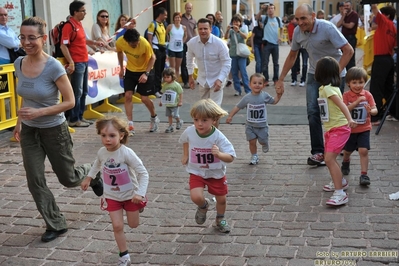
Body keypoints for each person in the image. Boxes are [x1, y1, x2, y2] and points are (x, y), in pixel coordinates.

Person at [13, 16, 103, 243]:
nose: (27, 42)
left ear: (43, 39)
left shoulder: (53, 66)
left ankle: (92, 175)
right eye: (23, 37)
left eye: (32, 37)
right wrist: (19, 122)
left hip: (54, 129)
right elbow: (24, 97)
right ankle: (56, 223)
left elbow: (70, 101)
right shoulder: (19, 63)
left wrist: (40, 113)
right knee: (34, 179)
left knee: (68, 178)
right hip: (29, 132)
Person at [275, 4, 353, 166]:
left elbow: (349, 51)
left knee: (335, 112)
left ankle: (339, 147)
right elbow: (292, 55)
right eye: (297, 19)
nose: (300, 22)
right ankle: (318, 152)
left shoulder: (327, 28)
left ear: (313, 16)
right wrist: (281, 78)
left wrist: (334, 73)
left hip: (335, 76)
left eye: (303, 18)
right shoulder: (298, 32)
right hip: (314, 74)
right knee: (312, 111)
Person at [81, 116, 149, 266]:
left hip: (131, 196)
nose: (107, 139)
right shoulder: (101, 152)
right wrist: (89, 178)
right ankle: (124, 255)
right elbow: (97, 164)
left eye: (112, 135)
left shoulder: (126, 153)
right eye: (103, 135)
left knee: (133, 225)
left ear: (121, 135)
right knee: (117, 226)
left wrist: (140, 193)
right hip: (112, 195)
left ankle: (140, 206)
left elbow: (143, 173)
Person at [179, 99, 236, 233]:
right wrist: (185, 154)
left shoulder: (218, 137)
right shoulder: (189, 131)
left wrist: (219, 155)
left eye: (204, 120)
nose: (199, 123)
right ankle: (203, 206)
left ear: (214, 120)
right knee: (196, 197)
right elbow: (185, 141)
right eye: (196, 119)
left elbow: (231, 157)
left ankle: (220, 219)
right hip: (196, 171)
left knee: (221, 199)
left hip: (215, 173)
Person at [314, 56, 356, 206]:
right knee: (330, 158)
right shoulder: (326, 88)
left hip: (339, 128)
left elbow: (342, 105)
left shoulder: (328, 89)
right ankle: (340, 182)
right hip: (332, 128)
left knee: (329, 159)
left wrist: (349, 119)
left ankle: (340, 193)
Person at [60, 1, 105, 127]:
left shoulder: (79, 24)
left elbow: (83, 40)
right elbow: (63, 45)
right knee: (77, 91)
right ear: (75, 12)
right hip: (77, 62)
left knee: (84, 91)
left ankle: (80, 116)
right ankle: (74, 119)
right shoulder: (69, 26)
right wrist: (71, 62)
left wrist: (95, 43)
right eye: (83, 11)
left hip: (84, 61)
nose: (85, 13)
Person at [226, 73, 282, 165]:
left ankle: (265, 143)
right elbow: (238, 107)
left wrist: (279, 95)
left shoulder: (264, 96)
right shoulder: (247, 97)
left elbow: (274, 101)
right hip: (250, 125)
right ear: (249, 84)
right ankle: (254, 156)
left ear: (263, 85)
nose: (257, 85)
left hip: (262, 125)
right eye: (254, 83)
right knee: (252, 142)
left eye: (260, 83)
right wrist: (230, 116)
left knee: (262, 140)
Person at [186, 18, 231, 128]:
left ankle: (215, 135)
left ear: (211, 29)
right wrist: (190, 77)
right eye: (200, 29)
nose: (203, 31)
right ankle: (205, 132)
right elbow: (189, 60)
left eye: (205, 28)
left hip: (217, 79)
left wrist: (220, 80)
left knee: (214, 109)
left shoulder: (220, 44)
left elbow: (227, 63)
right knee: (203, 108)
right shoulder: (192, 43)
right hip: (202, 80)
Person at [115, 29, 160, 134]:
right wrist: (121, 68)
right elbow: (119, 52)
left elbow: (153, 58)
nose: (137, 44)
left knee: (144, 99)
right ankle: (130, 124)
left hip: (145, 70)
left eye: (137, 42)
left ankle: (154, 117)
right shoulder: (120, 42)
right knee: (128, 95)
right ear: (127, 42)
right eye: (133, 45)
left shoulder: (144, 43)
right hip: (131, 70)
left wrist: (146, 74)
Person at [342, 67, 377, 186]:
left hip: (364, 128)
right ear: (348, 83)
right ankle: (346, 161)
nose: (357, 85)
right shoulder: (346, 96)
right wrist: (356, 102)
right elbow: (345, 109)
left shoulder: (368, 95)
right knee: (347, 151)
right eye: (354, 82)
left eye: (361, 82)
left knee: (363, 150)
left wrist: (371, 111)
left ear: (365, 82)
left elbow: (375, 110)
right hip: (350, 130)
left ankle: (364, 175)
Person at [369, 4, 397, 124]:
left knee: (376, 88)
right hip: (389, 59)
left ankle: (376, 117)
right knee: (388, 88)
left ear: (386, 15)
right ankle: (394, 112)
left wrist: (373, 4)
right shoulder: (394, 28)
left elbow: (375, 10)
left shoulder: (385, 22)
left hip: (380, 59)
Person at [256, 4, 283, 86]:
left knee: (276, 63)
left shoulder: (278, 19)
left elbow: (282, 28)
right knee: (265, 63)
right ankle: (266, 79)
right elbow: (257, 17)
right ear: (267, 10)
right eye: (269, 8)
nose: (270, 10)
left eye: (272, 8)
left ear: (274, 9)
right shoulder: (265, 18)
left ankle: (275, 79)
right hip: (266, 44)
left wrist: (280, 37)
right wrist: (261, 9)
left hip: (275, 44)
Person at [224, 14, 251, 96]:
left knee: (243, 71)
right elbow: (226, 37)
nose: (235, 23)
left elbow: (245, 36)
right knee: (234, 72)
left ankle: (247, 90)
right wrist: (227, 30)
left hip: (242, 54)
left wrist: (238, 31)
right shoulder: (231, 30)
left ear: (240, 22)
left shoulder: (243, 28)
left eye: (237, 21)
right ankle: (237, 89)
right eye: (234, 21)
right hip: (233, 53)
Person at [147, 7, 168, 98]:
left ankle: (159, 88)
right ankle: (155, 90)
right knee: (157, 70)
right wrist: (152, 51)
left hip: (163, 49)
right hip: (156, 49)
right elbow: (149, 38)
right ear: (161, 14)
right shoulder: (153, 24)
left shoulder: (163, 24)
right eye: (165, 15)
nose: (166, 17)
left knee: (161, 70)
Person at [159, 68, 184, 133]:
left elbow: (180, 93)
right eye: (165, 77)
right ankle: (170, 126)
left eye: (168, 77)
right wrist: (161, 101)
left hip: (175, 103)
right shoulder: (165, 85)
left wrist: (180, 101)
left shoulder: (176, 85)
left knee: (175, 115)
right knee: (169, 115)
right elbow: (164, 93)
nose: (166, 79)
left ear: (172, 76)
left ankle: (179, 121)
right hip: (168, 103)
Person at [287, 14, 308, 87]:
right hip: (297, 46)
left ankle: (303, 80)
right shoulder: (294, 27)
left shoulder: (306, 25)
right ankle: (294, 79)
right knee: (294, 62)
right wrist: (290, 42)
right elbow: (291, 35)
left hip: (305, 47)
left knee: (305, 64)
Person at [180, 2, 197, 89]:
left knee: (190, 62)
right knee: (183, 63)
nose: (189, 9)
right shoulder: (180, 18)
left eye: (190, 8)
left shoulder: (194, 20)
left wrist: (196, 39)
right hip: (182, 43)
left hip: (191, 43)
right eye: (187, 8)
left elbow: (194, 31)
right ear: (185, 8)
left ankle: (191, 78)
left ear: (192, 9)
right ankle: (185, 81)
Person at [166, 12, 186, 83]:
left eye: (178, 17)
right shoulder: (170, 26)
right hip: (172, 48)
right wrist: (169, 40)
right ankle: (171, 82)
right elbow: (166, 34)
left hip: (180, 49)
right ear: (173, 19)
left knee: (178, 67)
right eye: (176, 17)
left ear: (181, 19)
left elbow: (185, 36)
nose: (177, 19)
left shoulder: (183, 27)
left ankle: (176, 83)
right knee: (172, 67)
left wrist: (182, 42)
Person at [340, 1, 358, 70]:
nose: (346, 7)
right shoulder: (344, 15)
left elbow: (350, 26)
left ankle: (351, 73)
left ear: (351, 6)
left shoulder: (354, 15)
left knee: (350, 56)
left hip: (350, 38)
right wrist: (343, 16)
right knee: (343, 56)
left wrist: (343, 24)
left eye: (347, 6)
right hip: (344, 37)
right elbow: (338, 24)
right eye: (345, 6)